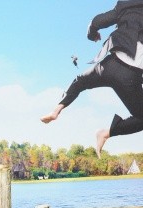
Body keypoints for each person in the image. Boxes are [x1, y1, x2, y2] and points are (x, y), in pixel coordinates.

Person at [41, 1, 143, 156]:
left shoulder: (127, 5)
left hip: (108, 65)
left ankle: (56, 110)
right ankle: (106, 133)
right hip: (129, 77)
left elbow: (97, 21)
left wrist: (92, 34)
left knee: (80, 80)